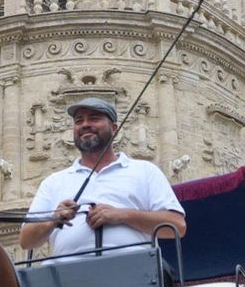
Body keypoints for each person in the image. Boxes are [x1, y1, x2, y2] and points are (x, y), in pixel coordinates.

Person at [19, 97, 186, 256]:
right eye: (79, 121)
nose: (85, 124)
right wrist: (53, 219)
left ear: (114, 129)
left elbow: (177, 226)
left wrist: (122, 215)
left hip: (135, 271)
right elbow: (26, 241)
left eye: (94, 118)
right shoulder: (53, 182)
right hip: (65, 275)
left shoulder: (145, 171)